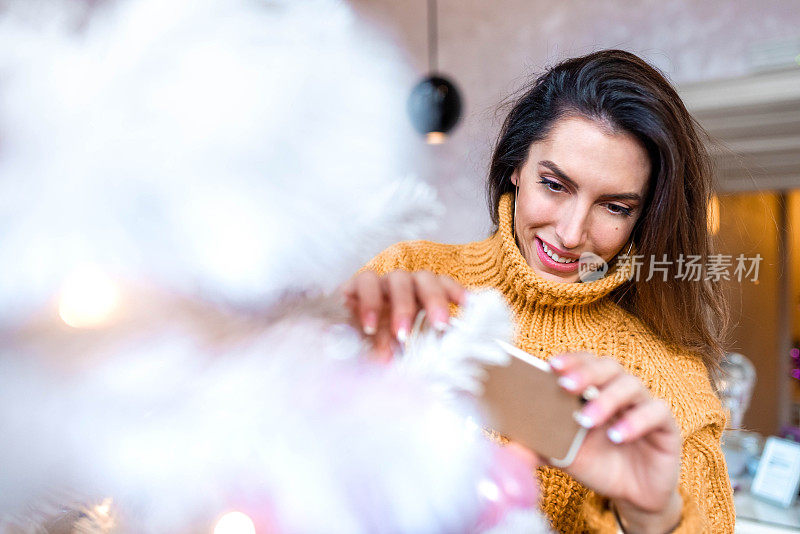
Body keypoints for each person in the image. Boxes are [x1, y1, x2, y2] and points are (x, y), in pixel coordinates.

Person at [342, 49, 734, 533]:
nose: (571, 233)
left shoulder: (673, 391)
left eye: (614, 207)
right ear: (516, 167)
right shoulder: (404, 276)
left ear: (642, 218)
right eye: (554, 184)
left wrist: (651, 516)